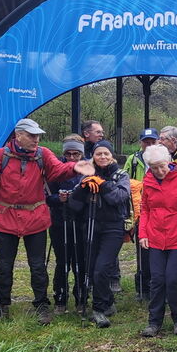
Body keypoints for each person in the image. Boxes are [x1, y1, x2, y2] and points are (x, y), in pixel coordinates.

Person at [0, 118, 93, 324]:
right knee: (4, 265)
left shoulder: (43, 154)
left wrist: (75, 167)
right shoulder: (0, 156)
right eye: (31, 135)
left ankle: (42, 305)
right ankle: (1, 306)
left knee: (37, 265)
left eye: (38, 136)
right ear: (18, 135)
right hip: (6, 218)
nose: (36, 139)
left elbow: (57, 171)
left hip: (35, 217)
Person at [69, 140, 132, 328]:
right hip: (90, 225)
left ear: (111, 155)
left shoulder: (121, 174)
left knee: (101, 268)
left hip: (113, 227)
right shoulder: (86, 174)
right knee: (91, 267)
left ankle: (99, 309)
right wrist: (82, 188)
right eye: (98, 154)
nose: (102, 157)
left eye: (106, 153)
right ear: (93, 156)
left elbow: (119, 197)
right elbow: (74, 206)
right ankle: (107, 301)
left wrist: (102, 184)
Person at [138, 144, 177, 337]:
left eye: (162, 166)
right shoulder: (148, 181)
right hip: (155, 237)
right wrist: (143, 233)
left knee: (173, 279)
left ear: (169, 161)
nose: (159, 171)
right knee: (157, 280)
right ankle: (154, 322)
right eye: (154, 167)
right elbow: (145, 208)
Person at [45, 135, 85, 315]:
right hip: (59, 220)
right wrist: (58, 198)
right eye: (68, 154)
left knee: (81, 261)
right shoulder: (55, 169)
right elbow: (45, 196)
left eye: (76, 154)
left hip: (82, 221)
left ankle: (81, 298)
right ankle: (60, 298)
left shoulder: (90, 168)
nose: (71, 158)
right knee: (62, 261)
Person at [127, 128, 159, 302]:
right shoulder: (133, 160)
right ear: (141, 143)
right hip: (140, 211)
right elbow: (125, 181)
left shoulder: (162, 159)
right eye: (146, 142)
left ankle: (156, 285)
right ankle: (142, 287)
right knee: (142, 251)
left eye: (153, 141)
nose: (149, 145)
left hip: (158, 210)